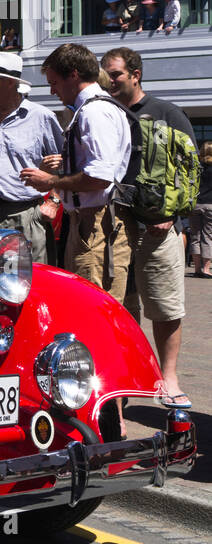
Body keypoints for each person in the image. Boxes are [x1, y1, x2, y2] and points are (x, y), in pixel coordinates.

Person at [101, 46, 194, 408]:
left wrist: (174, 212)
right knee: (122, 306)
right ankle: (127, 379)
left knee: (164, 305)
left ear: (136, 74)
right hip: (117, 224)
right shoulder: (106, 113)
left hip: (159, 227)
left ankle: (168, 378)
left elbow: (190, 168)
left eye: (116, 74)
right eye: (105, 74)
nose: (109, 81)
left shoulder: (166, 112)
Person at [20, 44, 132, 310]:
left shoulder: (94, 111)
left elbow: (100, 177)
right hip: (89, 223)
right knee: (87, 305)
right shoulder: (94, 109)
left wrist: (50, 181)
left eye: (54, 82)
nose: (52, 91)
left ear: (73, 75)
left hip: (95, 224)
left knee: (92, 309)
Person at [0, 51, 65, 263]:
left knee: (27, 282)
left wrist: (53, 202)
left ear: (10, 82)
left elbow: (65, 163)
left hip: (23, 215)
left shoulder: (41, 117)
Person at [190, 142, 212, 279]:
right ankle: (206, 268)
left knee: (195, 236)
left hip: (196, 204)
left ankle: (197, 268)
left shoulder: (196, 167)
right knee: (208, 236)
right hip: (211, 205)